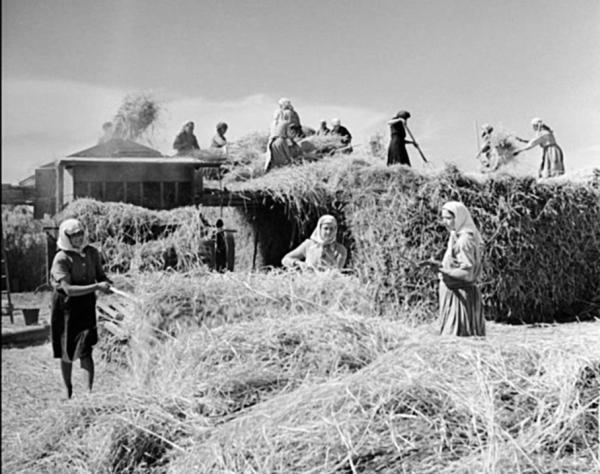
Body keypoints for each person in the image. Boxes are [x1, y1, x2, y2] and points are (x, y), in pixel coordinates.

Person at [50, 218, 112, 399]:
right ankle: (67, 389)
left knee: (86, 348)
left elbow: (100, 275)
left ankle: (88, 394)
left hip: (86, 304)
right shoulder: (62, 258)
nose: (78, 238)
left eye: (80, 233)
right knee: (66, 349)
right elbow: (68, 289)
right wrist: (97, 287)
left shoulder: (92, 253)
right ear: (66, 237)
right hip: (66, 306)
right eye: (74, 235)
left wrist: (107, 283)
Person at [425, 201, 485, 337]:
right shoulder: (455, 236)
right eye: (443, 218)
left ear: (459, 217)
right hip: (454, 294)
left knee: (457, 339)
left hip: (459, 298)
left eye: (448, 218)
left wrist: (442, 270)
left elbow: (467, 273)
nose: (445, 222)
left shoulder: (464, 241)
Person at [282, 214, 347, 271]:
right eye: (325, 228)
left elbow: (335, 272)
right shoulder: (309, 244)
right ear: (320, 229)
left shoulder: (340, 250)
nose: (328, 232)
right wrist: (298, 263)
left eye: (331, 229)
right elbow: (285, 259)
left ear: (335, 230)